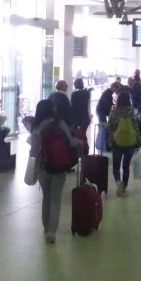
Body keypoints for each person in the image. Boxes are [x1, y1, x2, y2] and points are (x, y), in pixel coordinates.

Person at [29, 98, 83, 243]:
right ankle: (52, 232)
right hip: (58, 165)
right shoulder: (59, 123)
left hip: (42, 166)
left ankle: (46, 229)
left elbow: (33, 151)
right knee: (55, 200)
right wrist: (80, 142)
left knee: (46, 198)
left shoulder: (36, 127)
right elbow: (71, 142)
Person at [106, 91, 140, 197]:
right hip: (130, 141)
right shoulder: (132, 111)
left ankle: (118, 182)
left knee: (116, 165)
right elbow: (136, 126)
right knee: (126, 166)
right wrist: (138, 141)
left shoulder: (114, 111)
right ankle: (124, 186)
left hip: (117, 142)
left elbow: (110, 126)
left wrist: (109, 139)